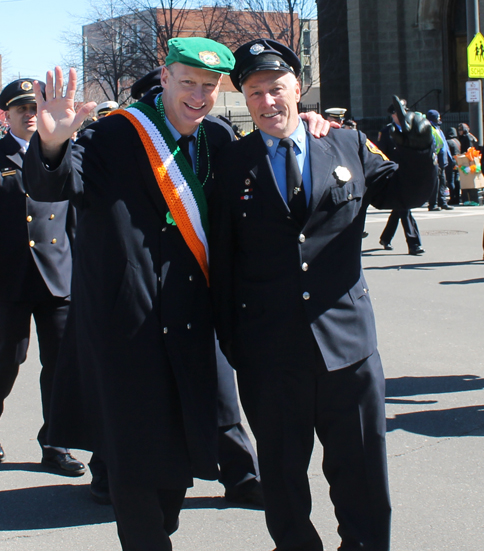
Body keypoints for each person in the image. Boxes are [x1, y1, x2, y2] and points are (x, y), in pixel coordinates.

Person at [24, 37, 333, 550]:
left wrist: (312, 129)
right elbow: (56, 185)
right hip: (129, 327)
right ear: (164, 78)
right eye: (187, 82)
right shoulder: (115, 134)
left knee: (173, 468)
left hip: (191, 325)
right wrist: (53, 144)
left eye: (208, 86)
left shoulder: (216, 136)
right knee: (136, 472)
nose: (198, 95)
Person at [209, 39, 437, 551]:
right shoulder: (229, 163)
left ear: (298, 88)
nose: (267, 102)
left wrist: (419, 151)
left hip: (349, 348)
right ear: (245, 100)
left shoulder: (347, 144)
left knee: (361, 475)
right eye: (254, 93)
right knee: (284, 484)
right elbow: (223, 263)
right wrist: (236, 347)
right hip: (270, 354)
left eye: (276, 88)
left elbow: (401, 193)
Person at [0, 78, 84, 476]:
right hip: (11, 276)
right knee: (9, 355)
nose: (30, 115)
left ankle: (55, 443)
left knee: (60, 362)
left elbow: (76, 215)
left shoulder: (64, 154)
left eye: (34, 108)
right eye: (21, 109)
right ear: (5, 115)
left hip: (58, 272)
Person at [377, 100, 425, 255]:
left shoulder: (409, 130)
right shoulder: (386, 132)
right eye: (400, 112)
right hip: (395, 175)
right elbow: (381, 154)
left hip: (408, 173)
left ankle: (385, 237)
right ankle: (414, 244)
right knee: (404, 208)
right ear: (393, 115)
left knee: (399, 209)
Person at [426, 109, 454, 211]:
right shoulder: (429, 129)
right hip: (435, 160)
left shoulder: (439, 130)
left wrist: (449, 158)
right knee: (435, 183)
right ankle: (433, 204)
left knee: (442, 182)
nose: (439, 119)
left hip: (442, 160)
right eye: (438, 117)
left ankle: (442, 202)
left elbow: (444, 145)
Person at [446, 127, 461, 205]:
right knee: (457, 180)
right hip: (458, 161)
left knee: (450, 180)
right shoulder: (457, 141)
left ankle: (453, 197)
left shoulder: (448, 142)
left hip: (451, 162)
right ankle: (457, 197)